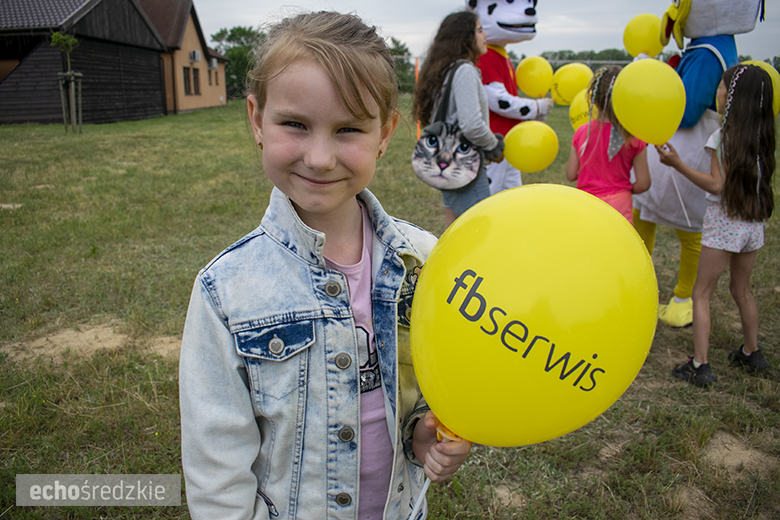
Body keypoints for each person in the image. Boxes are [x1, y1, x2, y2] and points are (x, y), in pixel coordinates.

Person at [179, 11, 472, 519]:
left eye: (348, 129)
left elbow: (428, 384)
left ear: (385, 133)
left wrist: (423, 434)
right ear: (257, 119)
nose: (319, 158)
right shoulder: (225, 292)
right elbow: (216, 464)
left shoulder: (426, 261)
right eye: (295, 124)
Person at [632, 0, 763, 328]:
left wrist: (653, 78)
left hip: (687, 151)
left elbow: (687, 110)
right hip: (682, 150)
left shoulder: (707, 53)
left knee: (686, 227)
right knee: (648, 217)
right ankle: (640, 286)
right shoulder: (714, 46)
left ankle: (681, 299)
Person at [657, 64, 775, 386]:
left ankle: (700, 365)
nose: (717, 93)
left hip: (725, 223)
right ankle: (751, 352)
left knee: (702, 293)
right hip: (752, 226)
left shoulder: (723, 136)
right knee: (742, 290)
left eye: (720, 88)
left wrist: (677, 163)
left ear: (732, 97)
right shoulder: (764, 136)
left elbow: (716, 185)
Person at [412, 11, 504, 228]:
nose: (485, 36)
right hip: (463, 164)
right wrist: (494, 146)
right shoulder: (464, 71)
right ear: (466, 38)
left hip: (448, 161)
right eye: (480, 30)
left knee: (454, 227)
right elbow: (471, 125)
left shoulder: (444, 70)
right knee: (478, 228)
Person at [465, 0, 555, 195]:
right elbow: (498, 101)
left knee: (512, 191)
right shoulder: (486, 56)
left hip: (509, 140)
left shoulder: (500, 54)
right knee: (491, 193)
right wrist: (536, 108)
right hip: (495, 140)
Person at [565, 66, 651, 223]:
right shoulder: (633, 136)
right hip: (620, 205)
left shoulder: (582, 132)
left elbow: (571, 175)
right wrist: (622, 190)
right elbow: (644, 183)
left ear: (593, 98)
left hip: (587, 203)